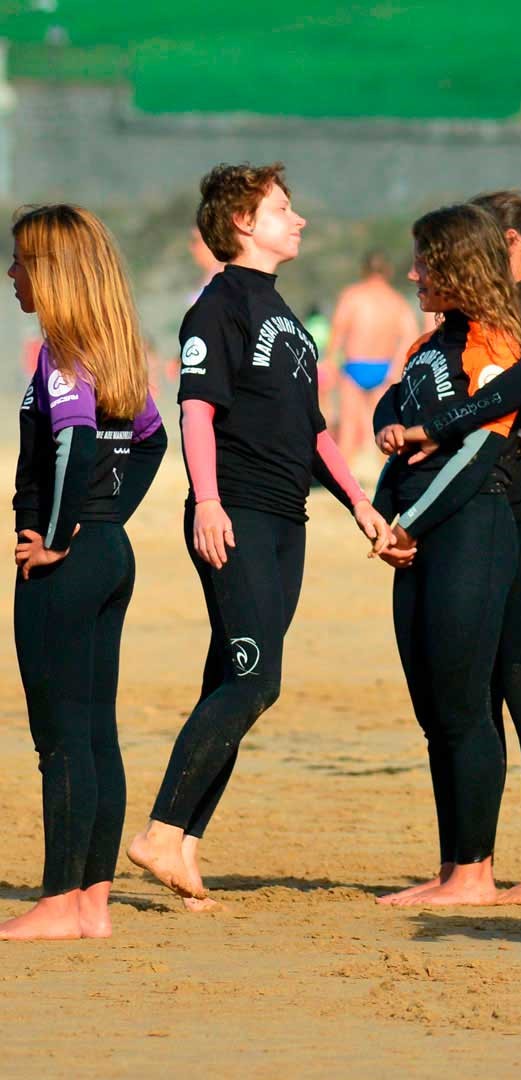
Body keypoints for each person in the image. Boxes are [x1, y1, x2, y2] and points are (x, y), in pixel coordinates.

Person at [127, 164, 385, 903]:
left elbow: (312, 431)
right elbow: (197, 410)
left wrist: (360, 506)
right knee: (255, 677)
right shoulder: (218, 306)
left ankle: (185, 843)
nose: (297, 219)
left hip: (286, 519)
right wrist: (206, 501)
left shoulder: (285, 316)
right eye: (282, 208)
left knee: (234, 679)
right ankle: (159, 832)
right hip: (234, 512)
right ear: (243, 223)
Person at [383, 191, 521, 906]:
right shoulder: (464, 326)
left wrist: (441, 427)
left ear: (502, 241)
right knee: (470, 697)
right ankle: (470, 863)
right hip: (478, 513)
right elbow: (403, 391)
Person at [3, 205, 166, 940]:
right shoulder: (115, 349)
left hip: (70, 567)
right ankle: (91, 904)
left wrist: (60, 537)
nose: (10, 275)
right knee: (96, 732)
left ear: (51, 272)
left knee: (61, 738)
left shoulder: (62, 353)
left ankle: (58, 902)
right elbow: (154, 442)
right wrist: (105, 522)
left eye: (20, 262)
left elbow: (68, 445)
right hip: (109, 556)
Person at [369, 203, 521, 907]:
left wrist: (413, 523)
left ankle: (476, 872)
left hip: (470, 530)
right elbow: (387, 409)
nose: (413, 274)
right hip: (415, 537)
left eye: (425, 263)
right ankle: (449, 868)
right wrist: (382, 516)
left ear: (459, 265)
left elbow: (478, 451)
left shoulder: (496, 342)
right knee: (433, 708)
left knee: (466, 708)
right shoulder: (426, 346)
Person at [322, 252, 418, 460]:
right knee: (385, 430)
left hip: (354, 367)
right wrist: (396, 369)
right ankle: (385, 480)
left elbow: (338, 330)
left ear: (363, 270)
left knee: (349, 427)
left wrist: (329, 362)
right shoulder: (397, 301)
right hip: (384, 368)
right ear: (388, 272)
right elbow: (410, 336)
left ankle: (344, 484)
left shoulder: (352, 296)